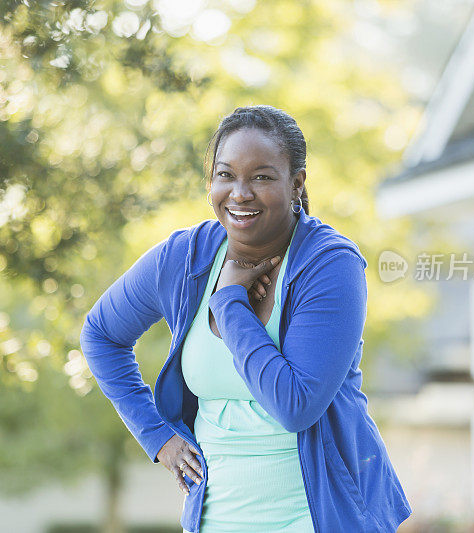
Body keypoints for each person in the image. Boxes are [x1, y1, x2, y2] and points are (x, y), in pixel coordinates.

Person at [80, 105, 412, 532]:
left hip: (319, 519)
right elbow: (101, 334)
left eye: (261, 177)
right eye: (226, 175)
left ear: (296, 184)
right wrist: (157, 436)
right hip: (217, 520)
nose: (240, 193)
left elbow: (295, 406)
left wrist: (231, 304)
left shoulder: (329, 264)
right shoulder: (184, 259)